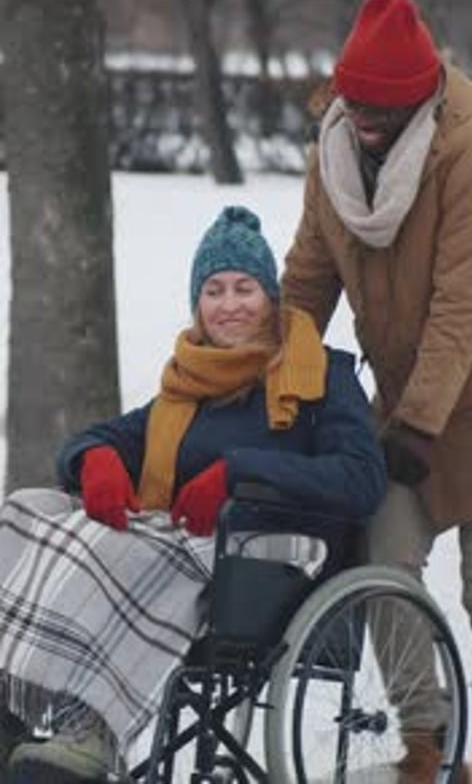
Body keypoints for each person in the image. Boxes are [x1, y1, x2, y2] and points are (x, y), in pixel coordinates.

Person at [0, 205, 386, 783]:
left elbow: (361, 478)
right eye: (213, 290)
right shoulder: (189, 383)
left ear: (270, 298)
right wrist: (95, 458)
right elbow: (103, 439)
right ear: (197, 304)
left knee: (121, 551)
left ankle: (93, 729)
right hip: (186, 535)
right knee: (25, 510)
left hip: (272, 552)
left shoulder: (319, 376)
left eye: (244, 287)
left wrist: (237, 470)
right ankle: (12, 702)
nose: (229, 305)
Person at [281, 0, 472, 784]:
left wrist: (419, 423)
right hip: (408, 403)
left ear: (418, 98)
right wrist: (276, 383)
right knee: (383, 556)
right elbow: (306, 283)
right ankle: (424, 740)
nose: (365, 115)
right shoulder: (333, 158)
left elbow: (466, 301)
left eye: (384, 104)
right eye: (355, 99)